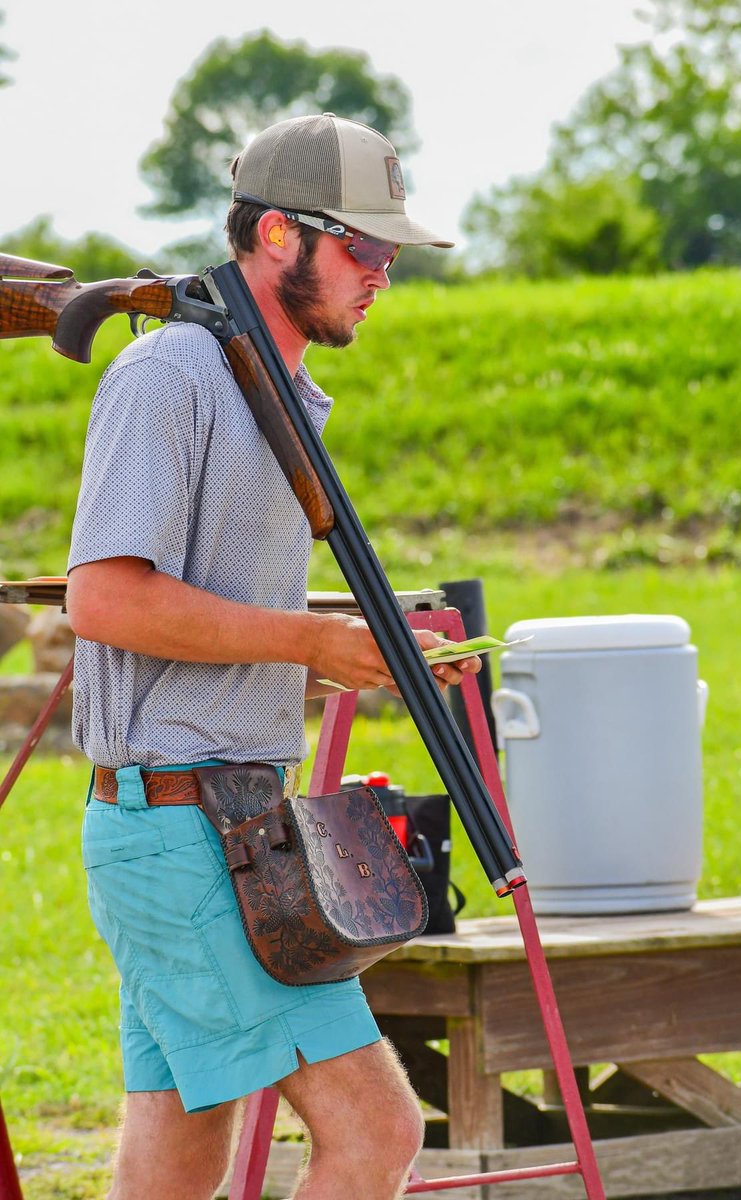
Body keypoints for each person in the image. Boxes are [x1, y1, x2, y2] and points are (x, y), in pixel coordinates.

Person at [65, 112, 480, 1200]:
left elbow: (218, 600)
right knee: (376, 1132)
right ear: (279, 236)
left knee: (178, 1158)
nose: (382, 273)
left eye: (390, 253)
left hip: (217, 820)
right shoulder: (170, 378)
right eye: (361, 247)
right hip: (183, 830)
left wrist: (375, 645)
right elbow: (105, 599)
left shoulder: (279, 395)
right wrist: (314, 644)